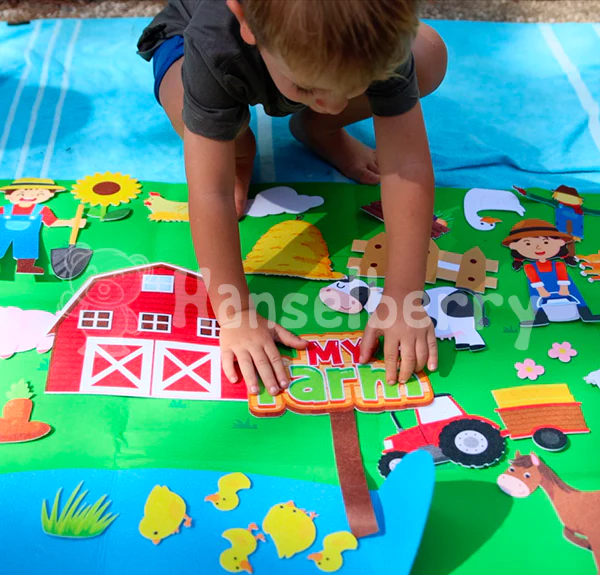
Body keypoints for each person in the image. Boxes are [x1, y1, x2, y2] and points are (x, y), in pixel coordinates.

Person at [138, 0, 447, 396]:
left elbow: (408, 166)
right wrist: (236, 314)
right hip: (191, 47)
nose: (335, 105)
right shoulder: (213, 42)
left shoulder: (373, 34)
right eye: (310, 89)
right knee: (191, 105)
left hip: (297, 53)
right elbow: (210, 192)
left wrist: (404, 295)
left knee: (429, 53)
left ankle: (318, 129)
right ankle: (235, 146)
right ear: (246, 22)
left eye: (353, 89)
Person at [502, 219, 600, 327]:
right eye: (528, 243)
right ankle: (541, 318)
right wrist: (541, 290)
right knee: (536, 299)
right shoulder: (529, 267)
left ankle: (586, 314)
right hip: (539, 288)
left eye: (545, 242)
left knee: (575, 296)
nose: (538, 247)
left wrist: (564, 288)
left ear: (559, 243)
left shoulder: (558, 265)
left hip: (564, 287)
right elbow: (534, 278)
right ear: (515, 246)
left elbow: (562, 276)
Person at [0, 178, 86, 275]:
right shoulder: (4, 209)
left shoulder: (42, 210)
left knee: (28, 247)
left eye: (38, 194)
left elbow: (52, 222)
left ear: (50, 194)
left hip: (27, 235)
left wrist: (71, 222)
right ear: (8, 195)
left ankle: (25, 267)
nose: (29, 196)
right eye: (22, 194)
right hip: (3, 234)